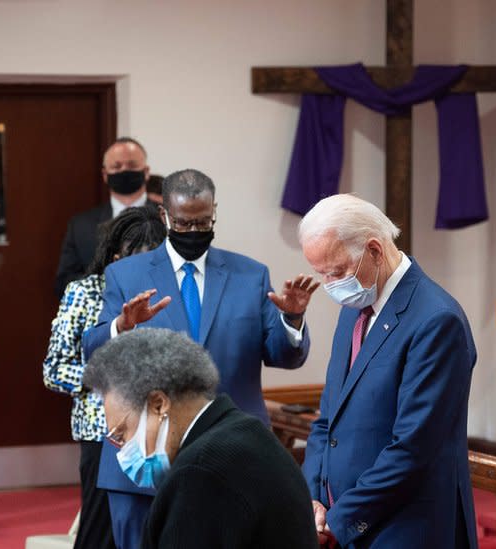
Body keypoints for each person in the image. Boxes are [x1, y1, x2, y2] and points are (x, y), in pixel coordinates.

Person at [82, 168, 318, 549]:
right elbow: (93, 355)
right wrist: (122, 327)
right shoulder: (125, 273)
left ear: (214, 214)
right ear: (165, 217)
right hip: (147, 457)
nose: (193, 231)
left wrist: (291, 319)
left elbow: (283, 356)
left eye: (202, 222)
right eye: (183, 223)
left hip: (232, 457)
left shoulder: (250, 275)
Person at [298, 194, 477, 548]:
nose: (331, 285)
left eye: (336, 272)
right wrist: (312, 500)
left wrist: (338, 521)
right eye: (322, 274)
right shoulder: (355, 306)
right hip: (343, 523)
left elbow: (412, 448)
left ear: (375, 251)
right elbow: (327, 420)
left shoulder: (436, 319)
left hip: (406, 529)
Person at [83, 328, 317, 549]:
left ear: (158, 404)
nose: (122, 451)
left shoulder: (198, 473)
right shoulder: (244, 432)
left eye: (122, 433)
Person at [43, 207, 166, 549]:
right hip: (104, 435)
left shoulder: (168, 292)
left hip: (162, 430)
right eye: (135, 260)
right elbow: (53, 370)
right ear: (115, 258)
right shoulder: (84, 293)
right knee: (101, 535)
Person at [54, 137, 157, 297]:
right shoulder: (80, 225)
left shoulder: (168, 219)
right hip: (100, 316)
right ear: (105, 174)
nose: (124, 170)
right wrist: (106, 283)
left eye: (131, 165)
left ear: (146, 171)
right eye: (116, 166)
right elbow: (64, 283)